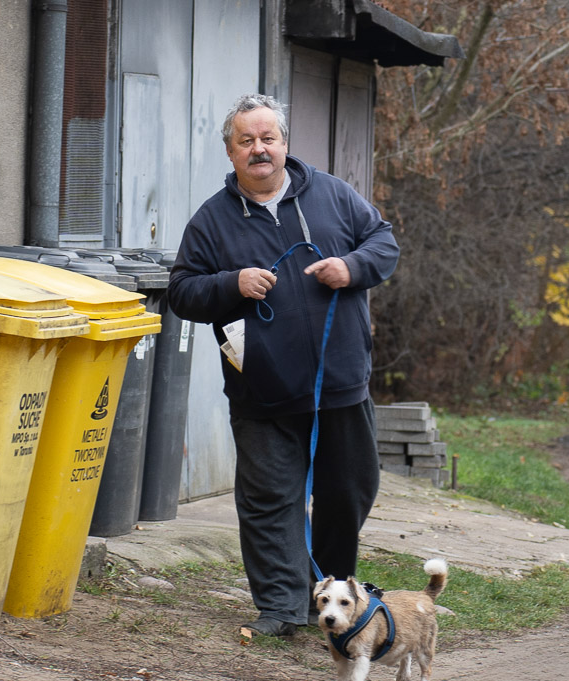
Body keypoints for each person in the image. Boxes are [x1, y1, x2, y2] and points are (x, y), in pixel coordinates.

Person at [167, 94, 399, 638]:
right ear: (230, 152)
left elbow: (383, 242)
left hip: (340, 385)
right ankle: (281, 608)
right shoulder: (212, 220)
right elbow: (181, 291)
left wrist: (352, 267)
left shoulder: (333, 195)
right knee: (271, 501)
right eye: (246, 141)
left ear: (284, 143)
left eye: (268, 138)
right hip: (263, 395)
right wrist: (232, 283)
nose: (259, 149)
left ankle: (332, 595)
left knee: (349, 493)